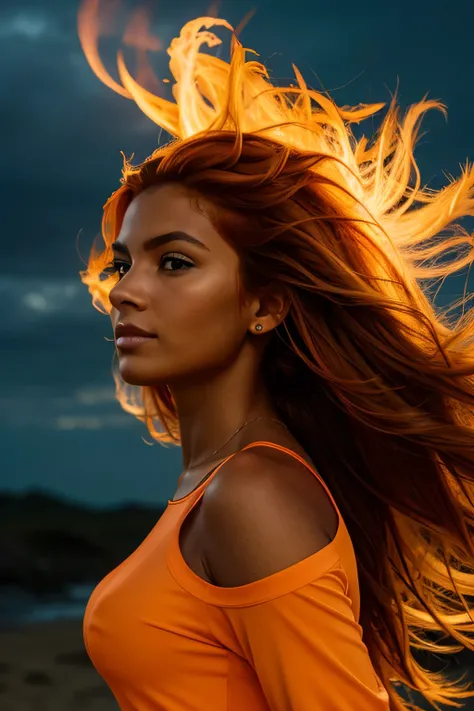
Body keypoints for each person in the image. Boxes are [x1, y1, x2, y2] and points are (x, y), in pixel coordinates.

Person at [77, 4, 474, 710]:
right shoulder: (218, 485)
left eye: (172, 262)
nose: (126, 291)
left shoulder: (251, 496)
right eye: (124, 263)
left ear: (265, 305)